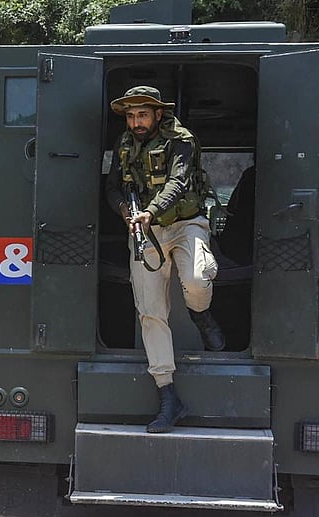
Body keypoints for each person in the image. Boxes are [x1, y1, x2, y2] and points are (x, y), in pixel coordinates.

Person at [105, 85, 225, 434]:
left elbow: (178, 181)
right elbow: (113, 185)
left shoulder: (181, 139)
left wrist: (152, 211)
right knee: (151, 311)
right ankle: (168, 395)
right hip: (145, 230)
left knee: (199, 279)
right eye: (130, 116)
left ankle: (201, 315)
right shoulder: (124, 144)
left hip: (186, 223)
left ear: (158, 114)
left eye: (142, 114)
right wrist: (126, 211)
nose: (135, 122)